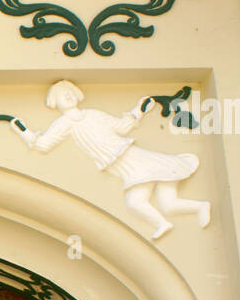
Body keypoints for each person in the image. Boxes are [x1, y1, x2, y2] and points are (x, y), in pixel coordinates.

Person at [12, 79, 210, 240]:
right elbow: (45, 144)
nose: (68, 95)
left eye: (70, 91)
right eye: (62, 94)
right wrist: (25, 133)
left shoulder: (93, 114)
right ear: (55, 101)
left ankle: (184, 213)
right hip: (125, 168)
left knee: (156, 201)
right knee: (146, 203)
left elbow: (122, 127)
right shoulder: (64, 124)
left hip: (132, 158)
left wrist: (139, 110)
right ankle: (169, 220)